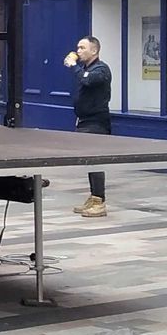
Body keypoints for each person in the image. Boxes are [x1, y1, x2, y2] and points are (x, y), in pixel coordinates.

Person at [64, 35, 113, 217]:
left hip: (96, 123)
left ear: (94, 50)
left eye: (82, 48)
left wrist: (74, 66)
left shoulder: (101, 69)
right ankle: (94, 197)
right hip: (84, 120)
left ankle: (99, 202)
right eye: (77, 47)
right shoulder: (86, 68)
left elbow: (88, 80)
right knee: (89, 162)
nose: (78, 51)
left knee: (95, 160)